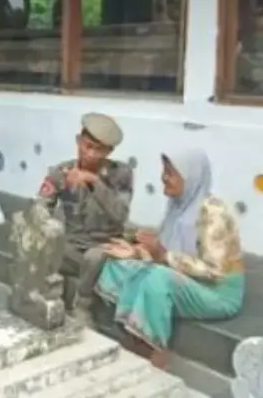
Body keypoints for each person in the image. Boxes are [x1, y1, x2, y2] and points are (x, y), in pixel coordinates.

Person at [96, 149, 245, 369]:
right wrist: (137, 252)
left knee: (157, 279)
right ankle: (132, 331)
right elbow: (164, 253)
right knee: (117, 265)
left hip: (216, 291)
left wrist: (163, 255)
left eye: (171, 173)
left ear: (190, 176)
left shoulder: (214, 213)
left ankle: (153, 348)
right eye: (164, 171)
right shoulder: (178, 205)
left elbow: (215, 271)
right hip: (181, 276)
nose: (164, 178)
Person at [35, 113, 133, 324]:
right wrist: (45, 225)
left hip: (105, 247)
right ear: (78, 141)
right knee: (42, 246)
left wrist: (94, 182)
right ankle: (48, 299)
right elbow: (41, 208)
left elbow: (120, 214)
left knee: (94, 257)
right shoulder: (60, 173)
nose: (90, 153)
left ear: (109, 152)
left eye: (98, 150)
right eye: (86, 145)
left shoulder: (121, 175)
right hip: (73, 246)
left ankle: (83, 305)